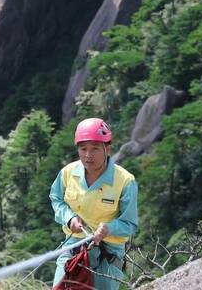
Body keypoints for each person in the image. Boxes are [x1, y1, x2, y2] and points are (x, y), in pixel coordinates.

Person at [50, 118, 138, 289]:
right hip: (73, 247)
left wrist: (108, 229)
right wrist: (69, 218)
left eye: (95, 149)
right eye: (83, 149)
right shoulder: (68, 173)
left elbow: (130, 224)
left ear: (107, 149)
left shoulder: (125, 181)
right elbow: (56, 199)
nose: (88, 155)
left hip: (108, 255)